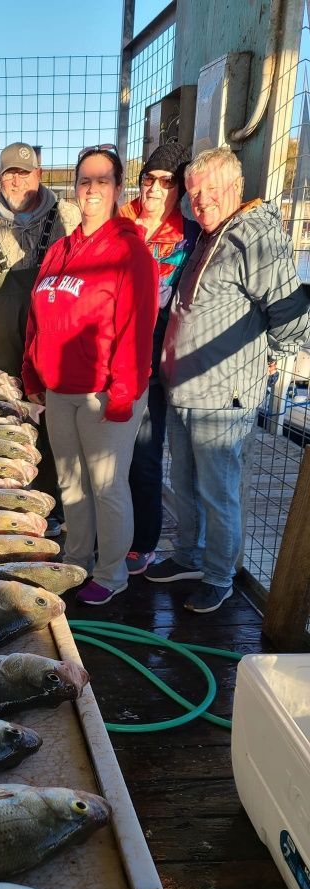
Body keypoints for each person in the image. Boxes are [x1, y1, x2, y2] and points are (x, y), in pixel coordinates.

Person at [146, 145, 310, 613]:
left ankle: (219, 575)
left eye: (211, 190)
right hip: (185, 389)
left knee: (218, 492)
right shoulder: (208, 235)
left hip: (223, 396)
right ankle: (188, 556)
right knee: (185, 481)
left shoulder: (253, 234)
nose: (201, 201)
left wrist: (274, 355)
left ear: (235, 188)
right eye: (194, 194)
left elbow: (292, 312)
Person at [21, 144, 158, 605]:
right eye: (85, 180)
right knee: (71, 483)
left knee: (107, 487)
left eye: (103, 180)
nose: (92, 188)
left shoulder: (130, 250)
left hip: (105, 393)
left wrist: (123, 393)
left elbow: (138, 328)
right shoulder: (60, 249)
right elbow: (37, 317)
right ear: (75, 189)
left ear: (118, 188)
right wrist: (32, 375)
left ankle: (112, 572)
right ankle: (77, 561)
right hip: (60, 390)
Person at [0, 142, 80, 532]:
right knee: (3, 431)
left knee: (56, 434)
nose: (16, 180)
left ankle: (54, 512)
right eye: (9, 173)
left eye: (24, 173)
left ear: (39, 176)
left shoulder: (69, 215)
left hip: (54, 353)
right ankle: (5, 510)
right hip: (3, 356)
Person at [118, 141, 200, 575]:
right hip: (108, 358)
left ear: (179, 190)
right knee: (104, 457)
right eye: (148, 179)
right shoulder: (116, 222)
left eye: (166, 182)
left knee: (145, 455)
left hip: (152, 364)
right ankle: (103, 534)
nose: (153, 188)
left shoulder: (190, 234)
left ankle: (143, 541)